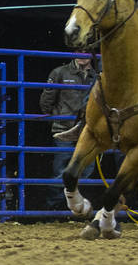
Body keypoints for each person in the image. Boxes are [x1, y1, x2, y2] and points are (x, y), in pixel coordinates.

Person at [40, 54, 96, 210]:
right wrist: (59, 118)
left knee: (85, 172)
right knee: (61, 171)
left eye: (86, 51)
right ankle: (55, 210)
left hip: (87, 131)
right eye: (79, 50)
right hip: (65, 128)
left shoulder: (97, 76)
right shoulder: (60, 73)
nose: (82, 54)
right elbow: (46, 101)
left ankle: (77, 210)